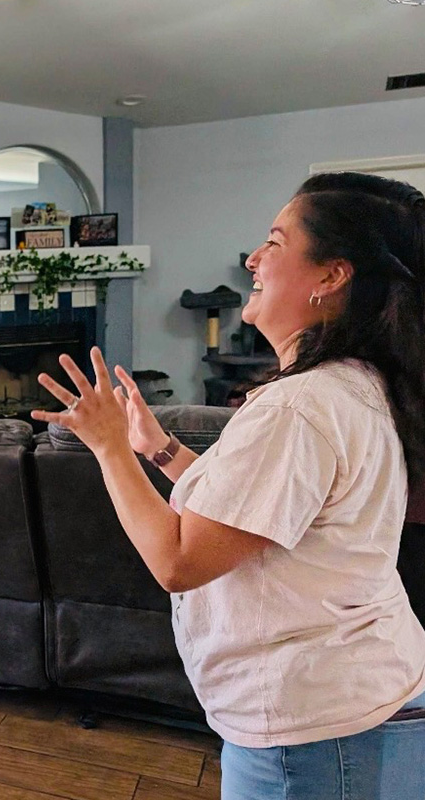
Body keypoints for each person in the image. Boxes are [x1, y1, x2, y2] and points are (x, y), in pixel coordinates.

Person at [33, 172, 425, 798]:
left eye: (275, 241)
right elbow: (257, 513)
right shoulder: (350, 383)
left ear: (331, 276)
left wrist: (107, 446)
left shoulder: (297, 408)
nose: (253, 258)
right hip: (356, 703)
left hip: (316, 729)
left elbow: (179, 559)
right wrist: (158, 449)